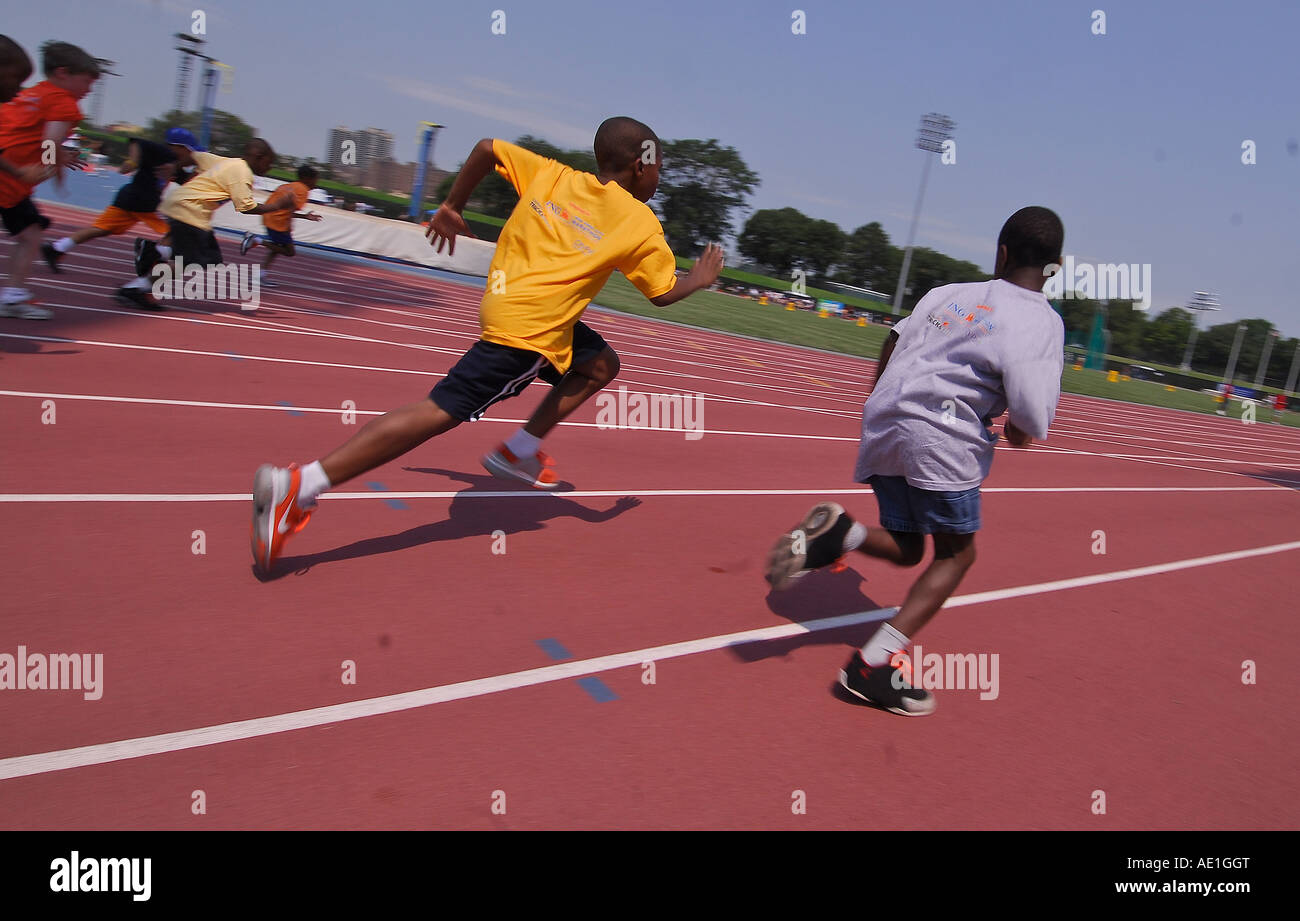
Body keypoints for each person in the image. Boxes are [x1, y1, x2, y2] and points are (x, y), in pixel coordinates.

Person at [249, 116, 724, 573]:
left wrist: (452, 204)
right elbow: (662, 294)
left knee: (600, 364)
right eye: (660, 166)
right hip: (529, 335)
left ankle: (518, 449)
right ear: (641, 165)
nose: (660, 177)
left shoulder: (553, 176)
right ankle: (300, 484)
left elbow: (485, 148)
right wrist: (698, 280)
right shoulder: (639, 222)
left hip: (511, 308)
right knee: (439, 411)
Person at [765, 206, 1067, 717]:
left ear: (1002, 252)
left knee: (907, 547)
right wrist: (1014, 430)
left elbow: (895, 338)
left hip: (886, 420)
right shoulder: (1041, 321)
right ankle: (873, 665)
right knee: (956, 556)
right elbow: (1030, 423)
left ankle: (843, 534)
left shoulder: (948, 294)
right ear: (1054, 268)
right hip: (942, 439)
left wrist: (882, 400)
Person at [115, 137, 299, 310]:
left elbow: (195, 156)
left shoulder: (228, 162)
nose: (270, 167)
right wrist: (277, 205)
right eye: (268, 163)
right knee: (194, 260)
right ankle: (135, 288)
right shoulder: (242, 173)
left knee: (207, 258)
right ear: (259, 158)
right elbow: (246, 207)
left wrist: (174, 166)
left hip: (184, 206)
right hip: (190, 210)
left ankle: (153, 252)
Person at [0, 40, 101, 319]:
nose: (89, 90)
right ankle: (12, 296)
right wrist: (49, 168)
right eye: (87, 81)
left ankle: (13, 295)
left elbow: (31, 135)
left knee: (30, 232)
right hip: (9, 180)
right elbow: (50, 141)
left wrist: (57, 156)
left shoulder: (34, 93)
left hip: (6, 169)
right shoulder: (64, 102)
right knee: (31, 235)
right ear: (62, 73)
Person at [41, 128, 204, 274]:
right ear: (178, 147)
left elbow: (189, 182)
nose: (192, 157)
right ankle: (152, 256)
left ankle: (57, 248)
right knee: (177, 231)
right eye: (190, 152)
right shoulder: (162, 152)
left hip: (129, 198)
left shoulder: (175, 165)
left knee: (100, 228)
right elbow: (136, 142)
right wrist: (133, 162)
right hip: (142, 201)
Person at [238, 163, 323, 286]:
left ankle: (260, 276)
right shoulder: (303, 190)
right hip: (278, 222)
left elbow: (282, 208)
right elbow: (290, 210)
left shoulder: (287, 186)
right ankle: (256, 240)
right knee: (289, 251)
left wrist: (304, 216)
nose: (316, 183)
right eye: (315, 180)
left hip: (269, 217)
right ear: (307, 178)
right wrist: (288, 228)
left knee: (276, 249)